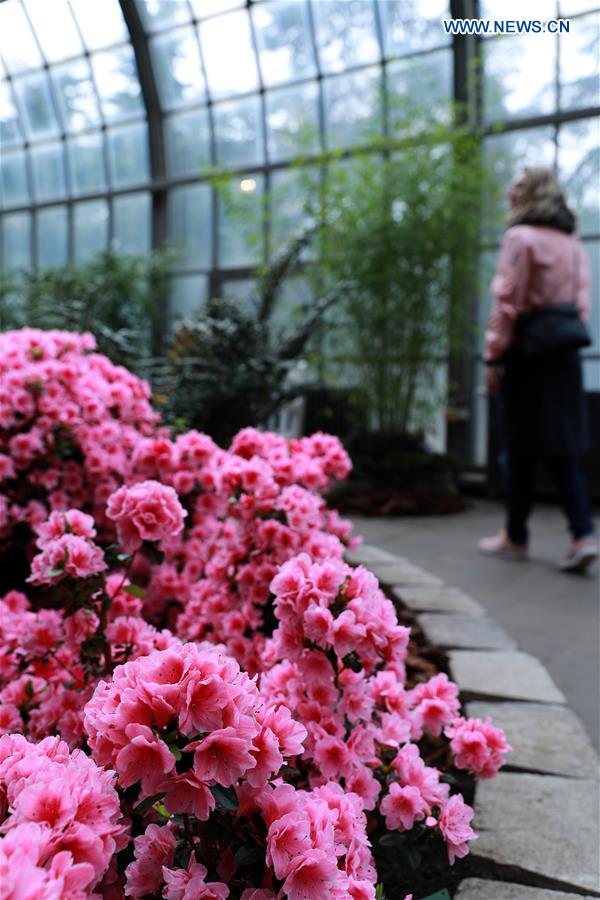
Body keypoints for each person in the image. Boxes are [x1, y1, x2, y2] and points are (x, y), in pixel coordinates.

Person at [478, 166, 598, 573]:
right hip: (564, 351)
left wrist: (493, 357)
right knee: (563, 447)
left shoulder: (519, 237)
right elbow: (581, 305)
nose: (509, 192)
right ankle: (583, 534)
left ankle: (516, 537)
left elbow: (507, 303)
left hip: (526, 350)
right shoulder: (571, 242)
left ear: (530, 193)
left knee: (518, 446)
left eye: (516, 185)